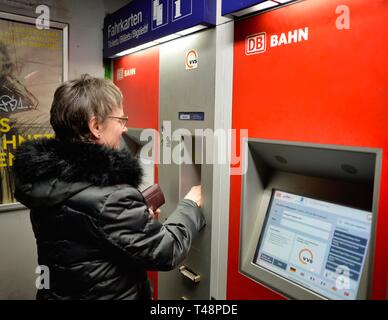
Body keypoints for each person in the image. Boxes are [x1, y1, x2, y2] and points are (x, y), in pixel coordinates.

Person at [13, 74, 205, 300]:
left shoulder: (45, 178)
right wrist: (190, 206)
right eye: (121, 119)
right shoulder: (111, 197)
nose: (125, 129)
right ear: (95, 126)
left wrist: (133, 220)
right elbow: (166, 251)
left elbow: (85, 232)